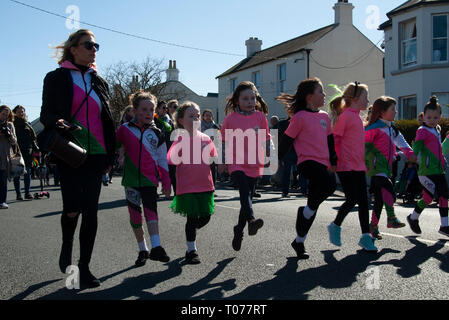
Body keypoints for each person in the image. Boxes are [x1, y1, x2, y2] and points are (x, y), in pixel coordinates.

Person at [40, 29, 116, 288]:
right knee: (72, 207)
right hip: (69, 150)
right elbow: (46, 114)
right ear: (73, 48)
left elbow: (108, 120)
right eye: (88, 44)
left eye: (96, 45)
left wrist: (111, 153)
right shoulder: (56, 78)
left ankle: (84, 266)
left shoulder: (99, 81)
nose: (93, 49)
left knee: (91, 211)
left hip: (97, 153)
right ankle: (67, 244)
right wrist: (58, 121)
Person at [277, 78, 337, 259]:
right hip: (307, 163)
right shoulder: (299, 117)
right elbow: (286, 140)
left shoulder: (324, 117)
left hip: (324, 163)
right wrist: (276, 159)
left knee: (313, 205)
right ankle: (305, 213)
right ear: (310, 97)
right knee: (330, 186)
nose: (324, 95)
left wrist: (334, 160)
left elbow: (330, 140)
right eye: (321, 91)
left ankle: (299, 241)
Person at [116, 91, 171, 267]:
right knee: (135, 216)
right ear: (135, 110)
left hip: (149, 180)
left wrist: (167, 181)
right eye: (144, 109)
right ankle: (143, 249)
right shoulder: (124, 129)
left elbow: (163, 158)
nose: (148, 113)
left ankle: (157, 247)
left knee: (151, 213)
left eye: (151, 109)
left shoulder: (157, 133)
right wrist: (118, 156)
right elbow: (114, 145)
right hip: (131, 180)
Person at [218, 81, 270, 251]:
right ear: (237, 101)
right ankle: (252, 221)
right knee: (245, 192)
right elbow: (223, 141)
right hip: (236, 162)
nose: (249, 101)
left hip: (255, 163)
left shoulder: (260, 117)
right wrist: (222, 161)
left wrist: (270, 154)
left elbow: (266, 138)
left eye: (252, 98)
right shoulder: (230, 119)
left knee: (246, 199)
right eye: (245, 98)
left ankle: (239, 230)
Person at [327, 82, 377, 252]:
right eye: (365, 97)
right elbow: (335, 139)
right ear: (355, 99)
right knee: (352, 199)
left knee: (363, 201)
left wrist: (365, 163)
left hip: (358, 166)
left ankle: (365, 237)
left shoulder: (356, 117)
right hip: (345, 166)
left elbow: (358, 145)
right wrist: (334, 161)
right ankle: (335, 225)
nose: (368, 100)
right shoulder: (347, 116)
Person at [168, 102, 217, 264]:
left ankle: (191, 232)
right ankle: (191, 250)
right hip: (187, 186)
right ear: (181, 120)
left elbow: (212, 159)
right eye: (191, 116)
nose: (195, 118)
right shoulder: (180, 138)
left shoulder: (205, 138)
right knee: (191, 218)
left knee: (206, 217)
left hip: (205, 184)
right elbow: (171, 160)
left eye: (197, 115)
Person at [365, 96, 415, 240]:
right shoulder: (373, 128)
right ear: (382, 112)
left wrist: (410, 153)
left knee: (380, 199)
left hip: (387, 168)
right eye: (392, 109)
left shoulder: (391, 128)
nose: (396, 112)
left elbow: (402, 142)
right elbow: (363, 145)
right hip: (376, 166)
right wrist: (368, 161)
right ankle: (391, 218)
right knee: (389, 190)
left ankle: (373, 226)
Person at [407, 96, 449, 237]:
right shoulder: (422, 131)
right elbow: (417, 147)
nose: (432, 120)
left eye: (435, 117)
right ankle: (413, 218)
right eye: (429, 117)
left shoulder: (437, 129)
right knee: (428, 198)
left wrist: (442, 160)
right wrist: (412, 157)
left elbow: (439, 149)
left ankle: (444, 225)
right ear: (424, 117)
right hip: (426, 171)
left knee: (443, 196)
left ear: (440, 117)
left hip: (438, 170)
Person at [12, 105, 38, 200]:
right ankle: (18, 194)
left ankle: (27, 192)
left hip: (28, 151)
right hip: (17, 151)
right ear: (15, 113)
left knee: (27, 172)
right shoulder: (12, 124)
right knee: (17, 173)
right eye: (19, 112)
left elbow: (32, 138)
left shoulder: (28, 124)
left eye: (22, 111)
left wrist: (35, 148)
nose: (21, 113)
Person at [155, 100, 176, 195]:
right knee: (155, 171)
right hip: (157, 149)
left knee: (172, 171)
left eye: (166, 108)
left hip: (168, 148)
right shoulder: (153, 120)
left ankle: (177, 192)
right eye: (163, 108)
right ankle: (153, 192)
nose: (165, 110)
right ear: (158, 109)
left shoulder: (169, 120)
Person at [0, 105, 17, 209]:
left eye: (7, 115)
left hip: (4, 157)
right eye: (3, 114)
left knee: (2, 181)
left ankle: (2, 201)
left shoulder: (10, 125)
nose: (5, 116)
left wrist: (8, 134)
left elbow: (14, 141)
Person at [201, 109, 220, 188]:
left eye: (210, 115)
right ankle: (202, 186)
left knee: (212, 169)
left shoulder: (215, 126)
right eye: (206, 115)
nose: (208, 117)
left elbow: (218, 138)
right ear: (203, 117)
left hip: (212, 150)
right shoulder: (199, 126)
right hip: (201, 150)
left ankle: (212, 186)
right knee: (202, 169)